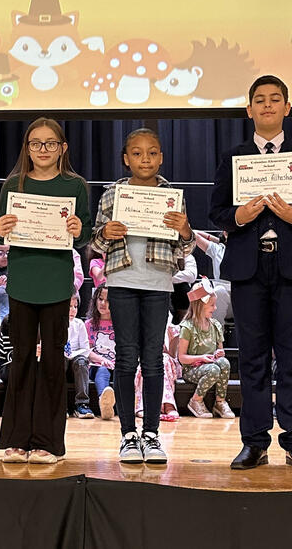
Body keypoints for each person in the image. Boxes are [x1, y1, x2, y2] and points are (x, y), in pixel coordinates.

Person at [210, 75, 292, 471]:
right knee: (252, 358)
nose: (267, 105)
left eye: (275, 98)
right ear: (249, 109)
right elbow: (215, 212)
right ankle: (254, 442)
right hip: (249, 268)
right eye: (260, 99)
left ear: (287, 107)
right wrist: (239, 216)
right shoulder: (234, 157)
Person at [91, 127, 196, 464]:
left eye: (152, 152)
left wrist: (185, 229)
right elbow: (95, 241)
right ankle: (127, 435)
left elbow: (186, 247)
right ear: (126, 159)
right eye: (137, 153)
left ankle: (151, 433)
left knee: (153, 359)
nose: (145, 159)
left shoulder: (172, 196)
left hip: (158, 283)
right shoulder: (112, 195)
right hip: (122, 280)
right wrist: (106, 233)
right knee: (125, 357)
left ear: (161, 157)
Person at [0, 117, 91, 464]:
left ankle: (49, 443)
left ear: (63, 148)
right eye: (36, 143)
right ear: (27, 148)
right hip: (22, 280)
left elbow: (85, 234)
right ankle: (17, 440)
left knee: (53, 360)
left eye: (51, 143)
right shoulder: (14, 184)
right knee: (20, 359)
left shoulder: (75, 185)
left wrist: (78, 229)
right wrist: (1, 227)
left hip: (56, 282)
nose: (43, 149)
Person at [177, 282, 232, 420]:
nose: (215, 308)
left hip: (210, 365)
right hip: (192, 368)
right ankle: (196, 400)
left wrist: (219, 354)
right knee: (213, 369)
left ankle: (220, 402)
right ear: (200, 305)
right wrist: (201, 358)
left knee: (224, 363)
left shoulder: (215, 325)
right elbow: (182, 357)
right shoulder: (188, 327)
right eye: (212, 305)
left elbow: (220, 351)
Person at [86, 283, 116, 420]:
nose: (103, 303)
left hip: (116, 364)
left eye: (107, 300)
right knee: (103, 370)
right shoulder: (88, 324)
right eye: (100, 299)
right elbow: (86, 350)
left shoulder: (120, 324)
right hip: (96, 365)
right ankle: (104, 402)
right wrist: (102, 360)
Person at [64, 294, 93, 419]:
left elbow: (85, 349)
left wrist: (72, 355)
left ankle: (82, 404)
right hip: (61, 360)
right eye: (69, 306)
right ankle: (60, 404)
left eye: (75, 307)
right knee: (59, 361)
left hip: (75, 360)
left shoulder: (79, 324)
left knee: (82, 362)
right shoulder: (55, 323)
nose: (73, 310)